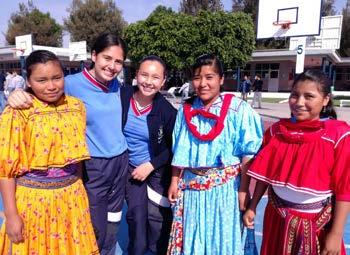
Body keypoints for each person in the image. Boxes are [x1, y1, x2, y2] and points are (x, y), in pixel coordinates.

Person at [7, 33, 129, 255]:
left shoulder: (116, 87)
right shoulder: (71, 85)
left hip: (114, 164)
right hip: (91, 167)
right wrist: (16, 94)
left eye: (118, 61)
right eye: (106, 58)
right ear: (94, 55)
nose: (112, 66)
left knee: (113, 220)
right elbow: (41, 86)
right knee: (95, 227)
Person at [0, 50, 98, 254]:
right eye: (41, 80)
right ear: (28, 81)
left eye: (57, 78)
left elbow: (77, 160)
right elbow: (6, 170)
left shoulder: (77, 107)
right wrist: (11, 215)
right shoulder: (17, 112)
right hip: (33, 203)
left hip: (72, 199)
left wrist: (78, 194)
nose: (51, 86)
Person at [243, 69, 350, 255]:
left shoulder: (338, 135)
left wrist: (335, 233)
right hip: (277, 216)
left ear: (325, 100)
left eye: (309, 96)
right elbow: (266, 174)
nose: (299, 102)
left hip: (318, 222)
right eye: (295, 95)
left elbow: (344, 189)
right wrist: (253, 206)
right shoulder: (276, 131)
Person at [167, 54, 263, 254]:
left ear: (221, 79)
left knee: (222, 242)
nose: (202, 84)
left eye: (209, 77)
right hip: (191, 189)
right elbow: (179, 150)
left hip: (225, 191)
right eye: (197, 78)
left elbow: (248, 154)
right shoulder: (185, 111)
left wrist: (243, 190)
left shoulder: (239, 110)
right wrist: (174, 181)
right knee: (194, 241)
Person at [121, 55, 177, 255]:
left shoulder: (167, 112)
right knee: (136, 216)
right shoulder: (121, 95)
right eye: (144, 74)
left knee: (157, 218)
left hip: (156, 169)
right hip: (130, 168)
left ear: (163, 81)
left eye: (155, 77)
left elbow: (173, 149)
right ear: (136, 75)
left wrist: (151, 165)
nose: (148, 81)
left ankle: (159, 250)